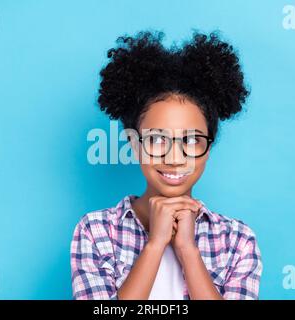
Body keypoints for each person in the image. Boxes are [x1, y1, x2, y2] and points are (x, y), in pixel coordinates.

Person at [70, 30, 262, 300]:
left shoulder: (237, 240)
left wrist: (188, 250)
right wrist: (154, 245)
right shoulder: (96, 231)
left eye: (192, 140)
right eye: (158, 139)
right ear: (135, 145)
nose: (174, 157)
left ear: (208, 148)